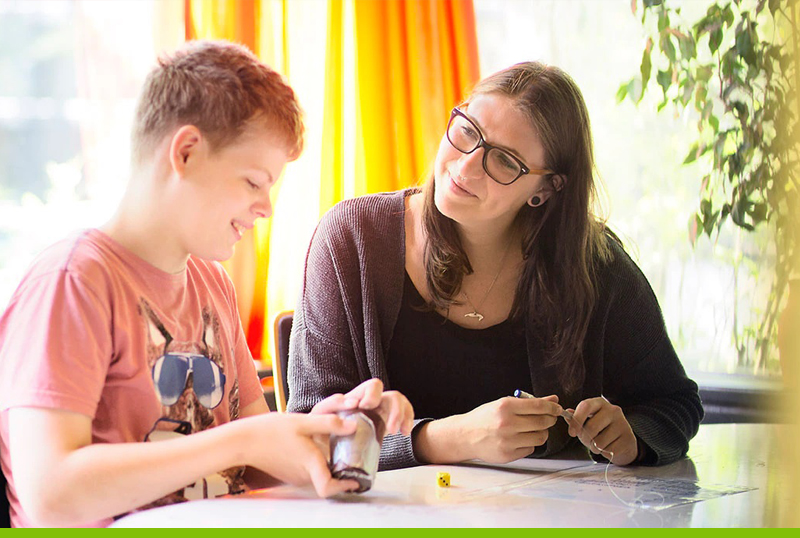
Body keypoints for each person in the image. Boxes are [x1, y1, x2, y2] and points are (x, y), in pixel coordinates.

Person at [0, 40, 413, 528]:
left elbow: (251, 463)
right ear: (187, 152)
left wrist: (325, 431)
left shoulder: (212, 285)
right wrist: (242, 440)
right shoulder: (73, 282)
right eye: (253, 182)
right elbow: (50, 495)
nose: (266, 208)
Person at [287, 61, 703, 471]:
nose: (466, 166)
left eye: (504, 161)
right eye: (467, 131)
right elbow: (310, 432)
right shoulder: (351, 238)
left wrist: (630, 437)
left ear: (545, 189)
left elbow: (674, 403)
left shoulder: (594, 265)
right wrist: (453, 438)